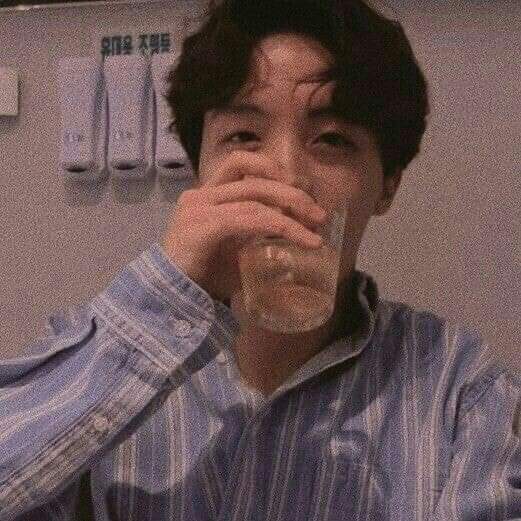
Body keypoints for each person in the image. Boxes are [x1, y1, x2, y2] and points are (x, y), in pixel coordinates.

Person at [1, 0, 520, 519]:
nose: (286, 177)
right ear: (200, 170)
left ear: (387, 184)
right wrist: (165, 299)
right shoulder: (95, 361)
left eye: (332, 139)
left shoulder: (460, 393)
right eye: (243, 136)